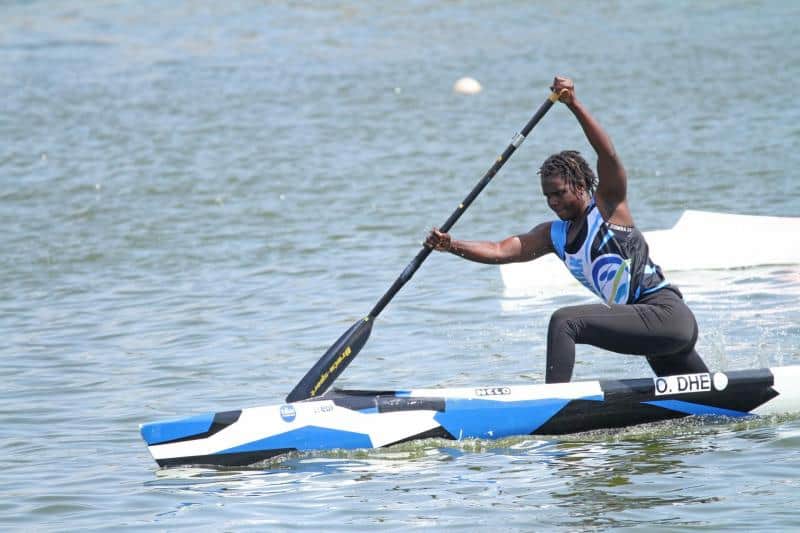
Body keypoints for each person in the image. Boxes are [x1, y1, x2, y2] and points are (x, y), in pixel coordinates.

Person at [425, 76, 709, 383]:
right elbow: (499, 251)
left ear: (581, 184)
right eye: (547, 195)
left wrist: (574, 104)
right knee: (710, 405)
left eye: (559, 193)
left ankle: (553, 399)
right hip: (653, 337)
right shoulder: (554, 236)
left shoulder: (609, 208)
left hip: (666, 316)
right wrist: (451, 245)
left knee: (564, 321)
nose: (553, 201)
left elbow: (608, 155)